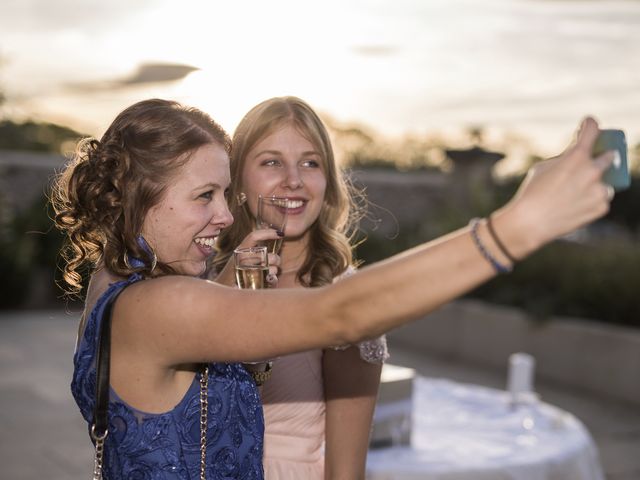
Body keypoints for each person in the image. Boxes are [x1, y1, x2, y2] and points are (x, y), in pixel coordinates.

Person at [52, 98, 613, 480]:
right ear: (136, 191)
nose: (224, 217)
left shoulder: (116, 283)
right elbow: (341, 312)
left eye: (225, 195)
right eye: (204, 196)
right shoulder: (158, 306)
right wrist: (517, 227)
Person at [212, 96, 387, 479]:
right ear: (237, 180)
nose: (293, 180)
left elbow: (346, 472)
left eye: (310, 163)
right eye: (272, 162)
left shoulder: (345, 300)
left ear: (327, 183)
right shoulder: (202, 279)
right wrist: (228, 280)